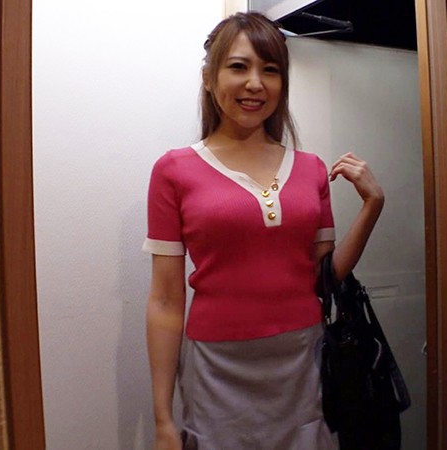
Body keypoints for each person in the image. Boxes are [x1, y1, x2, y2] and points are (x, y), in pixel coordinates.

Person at [143, 11, 384, 450]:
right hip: (216, 365)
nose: (255, 83)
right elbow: (164, 300)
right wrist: (163, 419)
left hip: (303, 362)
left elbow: (323, 279)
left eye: (270, 70)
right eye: (239, 67)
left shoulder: (310, 169)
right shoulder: (173, 170)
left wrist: (372, 207)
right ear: (209, 78)